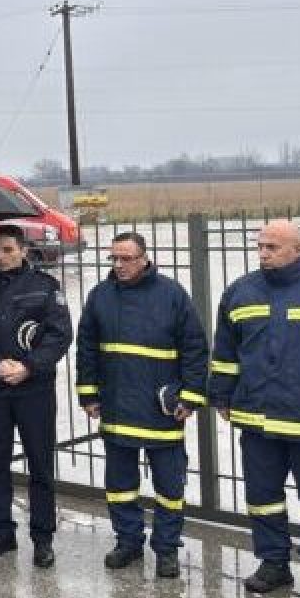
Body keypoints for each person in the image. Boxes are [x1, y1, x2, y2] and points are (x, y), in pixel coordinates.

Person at [76, 232, 208, 579]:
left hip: (161, 409)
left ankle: (167, 549)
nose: (119, 265)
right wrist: (88, 394)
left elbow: (195, 348)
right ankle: (128, 542)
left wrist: (190, 397)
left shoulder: (172, 294)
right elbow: (86, 348)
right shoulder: (101, 295)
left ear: (145, 258)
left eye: (126, 258)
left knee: (169, 487)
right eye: (114, 258)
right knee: (120, 486)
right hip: (117, 407)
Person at [209, 219, 300, 598]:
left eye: (272, 247)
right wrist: (221, 395)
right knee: (263, 496)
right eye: (260, 246)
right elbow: (225, 352)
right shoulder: (240, 292)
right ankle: (273, 564)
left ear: (297, 250)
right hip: (257, 419)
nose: (263, 253)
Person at [0, 224, 73, 569]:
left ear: (23, 250)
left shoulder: (45, 287)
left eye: (8, 249)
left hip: (34, 388)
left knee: (40, 463)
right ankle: (1, 532)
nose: (1, 256)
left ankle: (42, 537)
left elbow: (59, 335)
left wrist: (28, 366)